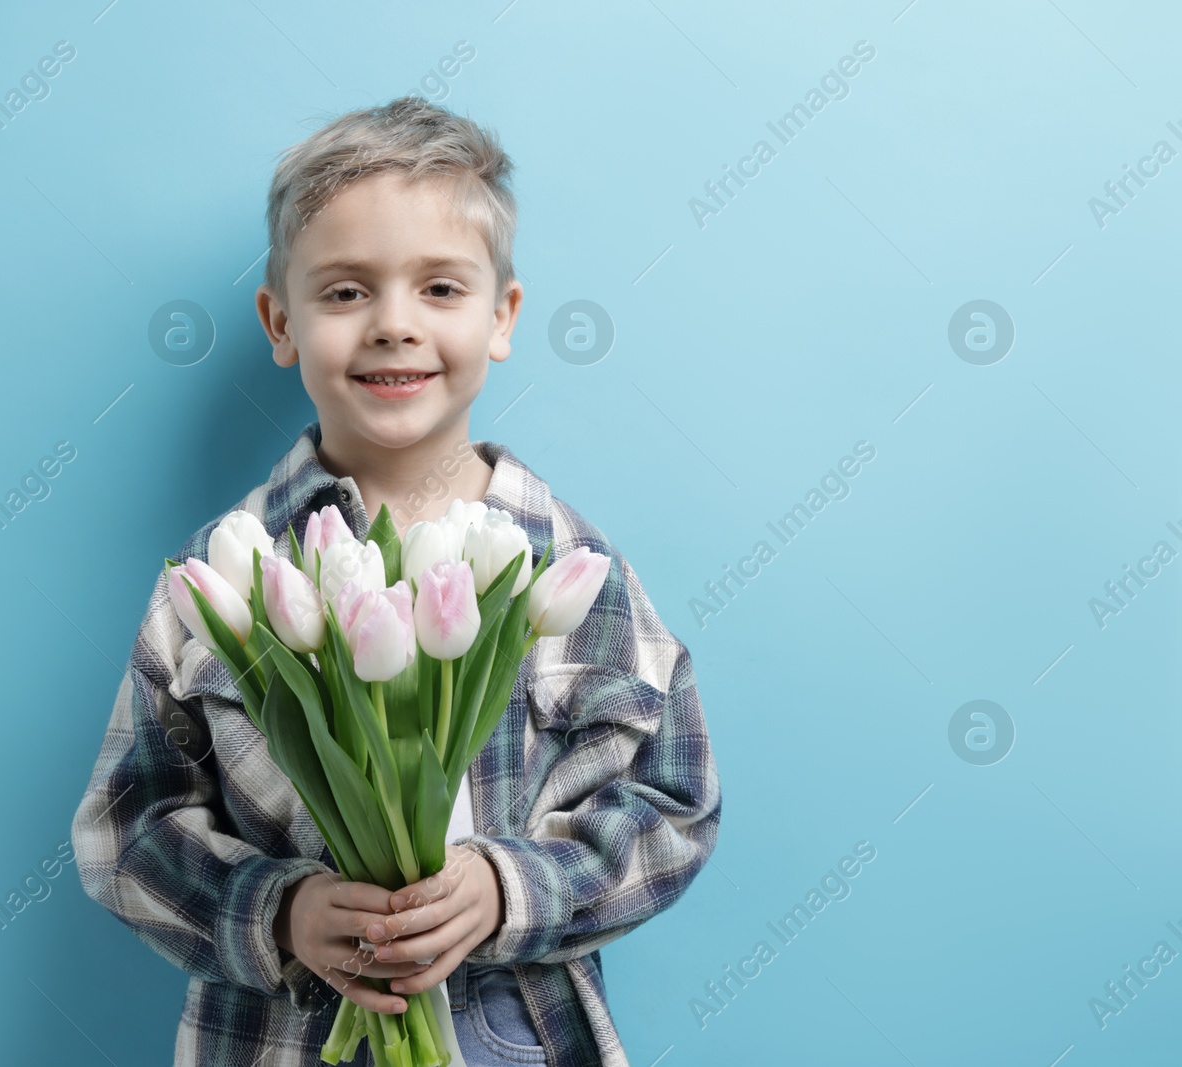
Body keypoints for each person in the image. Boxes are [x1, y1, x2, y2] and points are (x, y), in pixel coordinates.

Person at [70, 96, 721, 1066]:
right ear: (279, 320)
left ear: (501, 317)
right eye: (344, 293)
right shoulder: (221, 577)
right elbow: (126, 830)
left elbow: (673, 801)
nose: (393, 326)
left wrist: (511, 888)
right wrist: (279, 911)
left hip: (514, 1038)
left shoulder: (569, 567)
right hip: (280, 1040)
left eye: (440, 289)